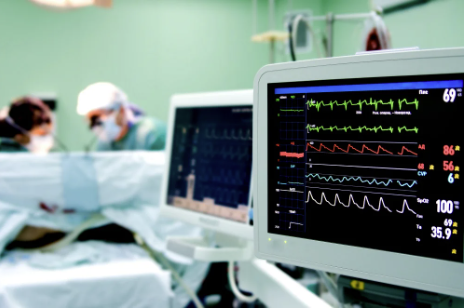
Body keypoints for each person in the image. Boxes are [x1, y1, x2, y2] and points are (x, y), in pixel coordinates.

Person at [76, 82, 166, 151]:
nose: (97, 125)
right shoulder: (105, 144)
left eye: (101, 117)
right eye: (93, 120)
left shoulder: (151, 134)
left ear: (121, 110)